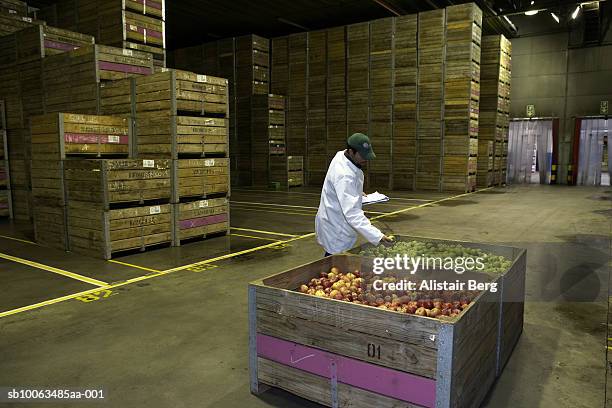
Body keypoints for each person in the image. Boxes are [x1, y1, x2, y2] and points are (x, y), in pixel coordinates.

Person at [315, 133, 394, 256]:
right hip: (337, 227)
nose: (365, 159)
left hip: (334, 218)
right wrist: (377, 236)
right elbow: (352, 213)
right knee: (336, 260)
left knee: (336, 259)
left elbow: (344, 184)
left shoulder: (343, 156)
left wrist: (355, 191)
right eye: (362, 156)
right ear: (351, 152)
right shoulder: (344, 176)